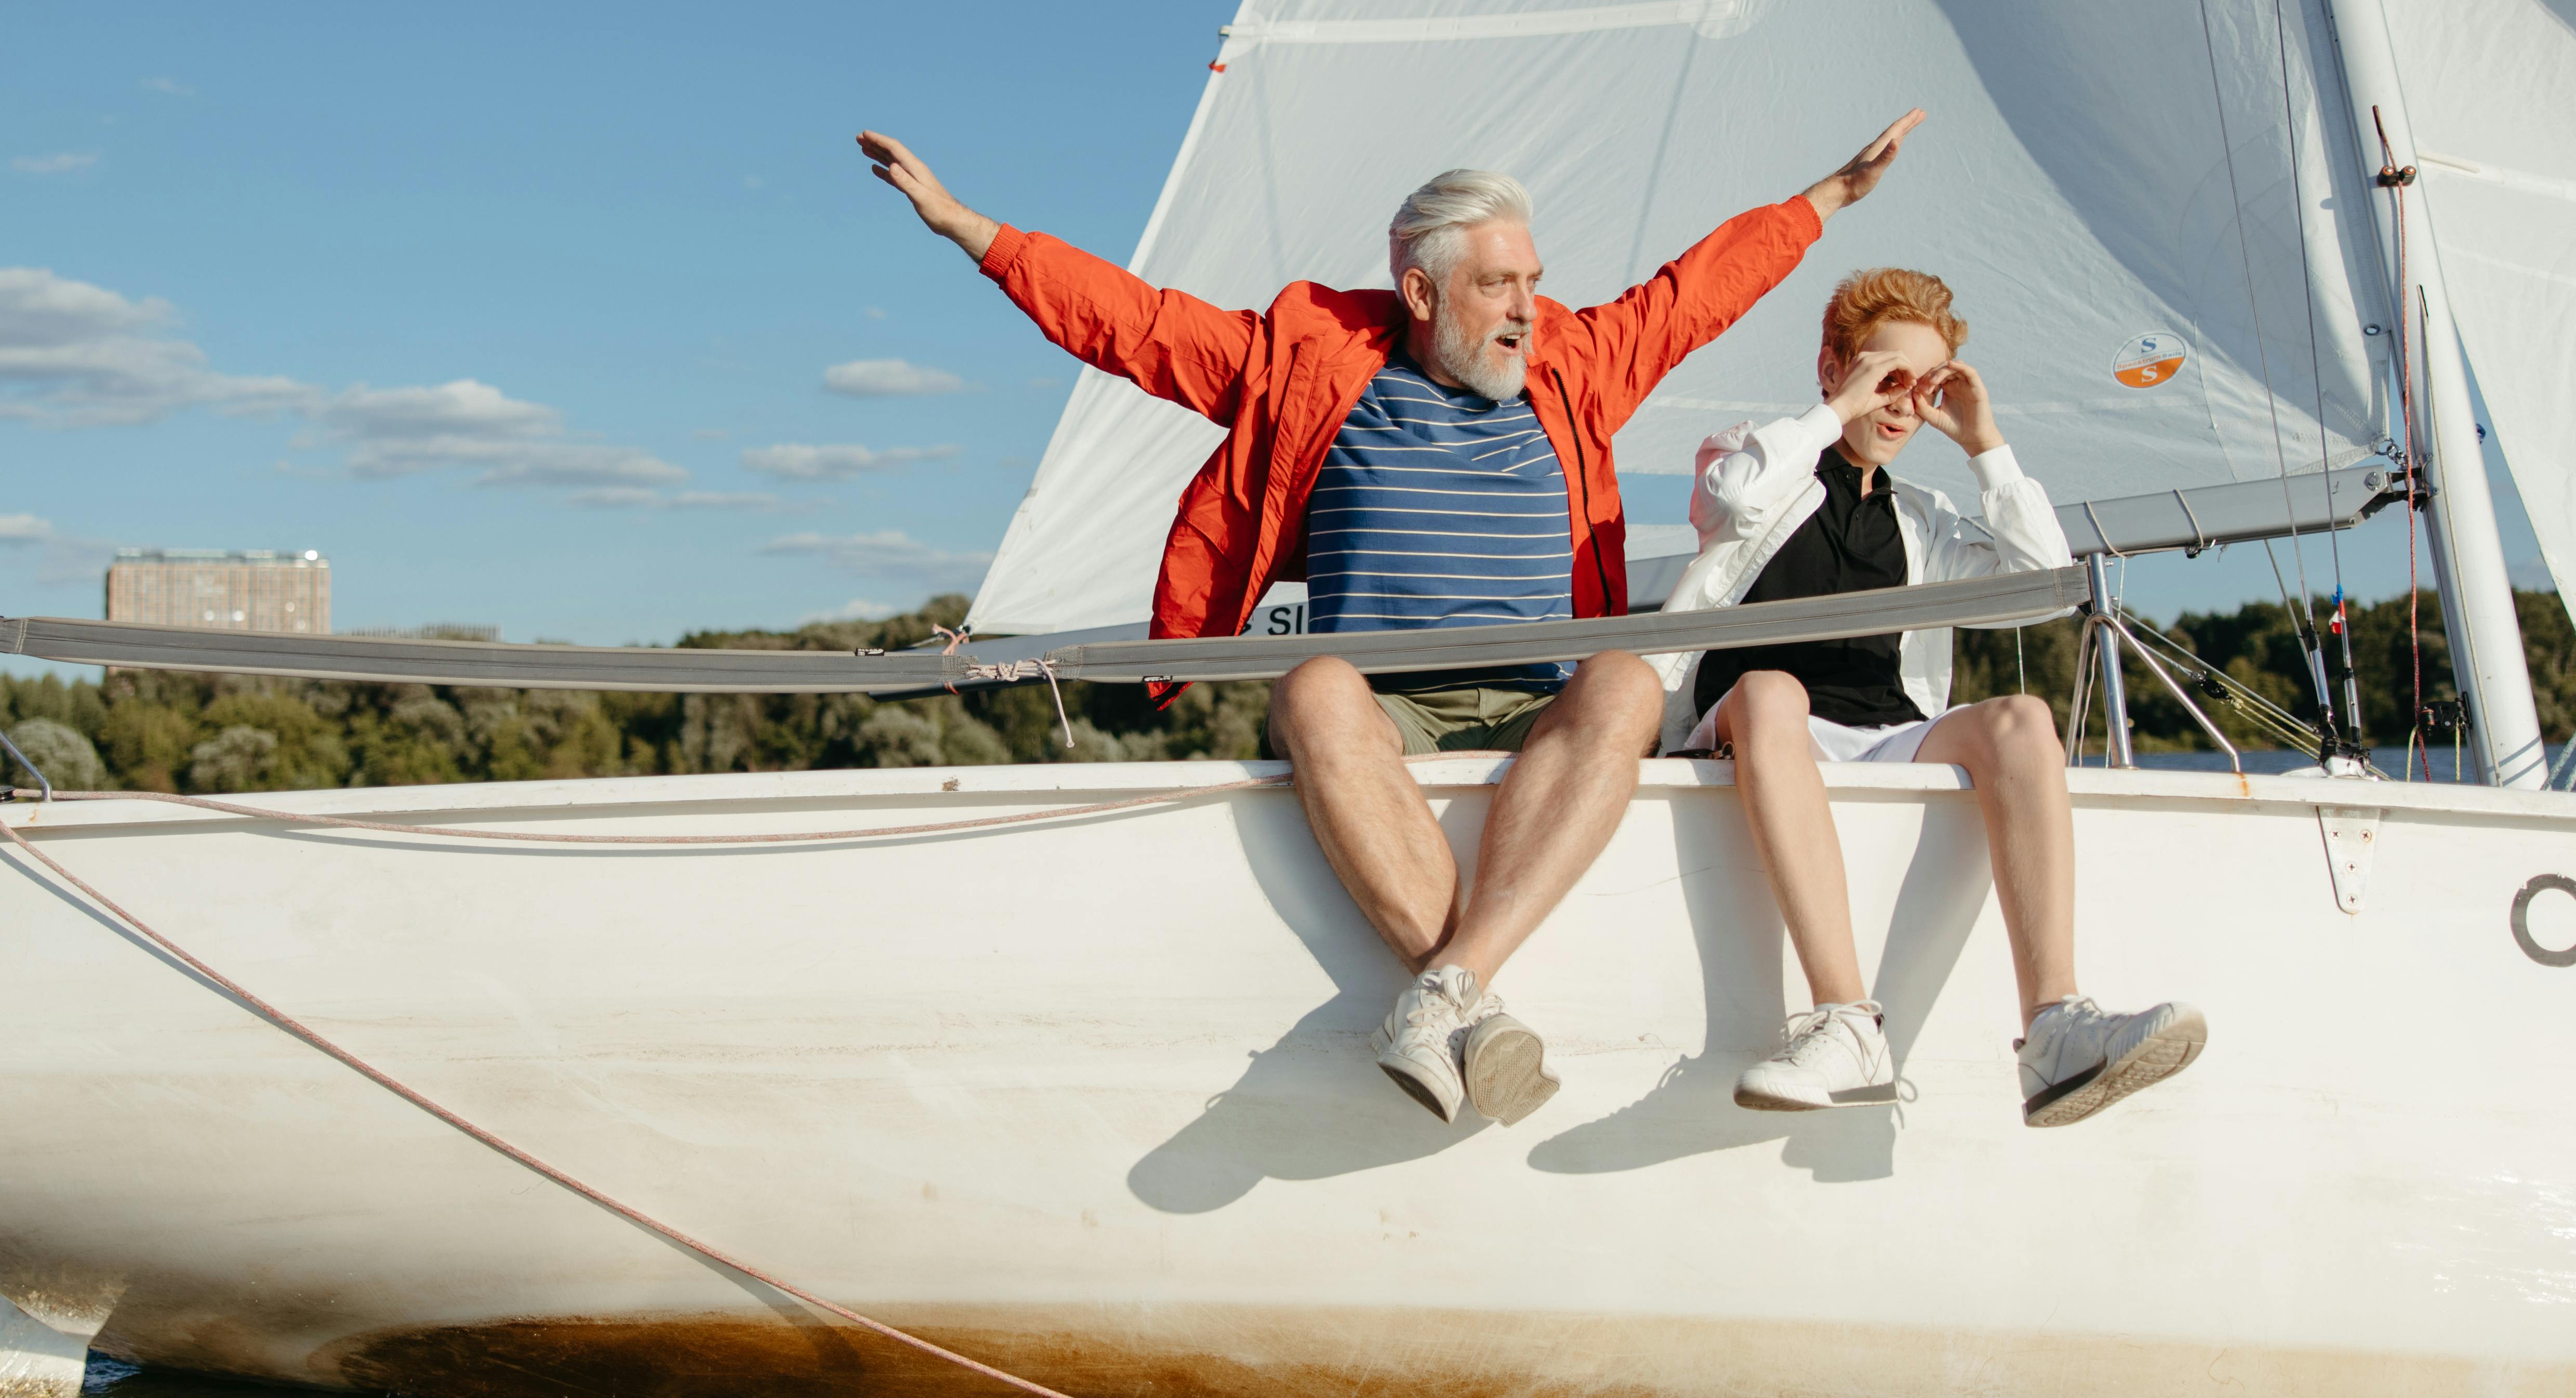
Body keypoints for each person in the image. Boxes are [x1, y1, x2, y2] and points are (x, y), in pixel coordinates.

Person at [854, 113, 1923, 1129]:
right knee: (1312, 681)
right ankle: (1482, 1010)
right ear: (1420, 287)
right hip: (1383, 715)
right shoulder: (1305, 363)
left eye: (1534, 282)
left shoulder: (1575, 367)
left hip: (1537, 707)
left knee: (1630, 679)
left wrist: (1830, 196)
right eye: (1498, 282)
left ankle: (1450, 992)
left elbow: (1695, 293)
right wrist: (970, 229)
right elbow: (1135, 324)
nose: (1527, 307)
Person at [1652, 267, 2206, 1127]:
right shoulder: (1753, 459)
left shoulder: (1925, 517)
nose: (1905, 403)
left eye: (1926, 385)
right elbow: (1729, 500)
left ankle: (2053, 1025)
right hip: (1752, 724)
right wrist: (1837, 413)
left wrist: (1985, 444)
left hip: (1877, 733)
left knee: (2023, 719)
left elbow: (2040, 589)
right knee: (1772, 691)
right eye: (1887, 377)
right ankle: (1844, 1019)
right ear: (1833, 367)